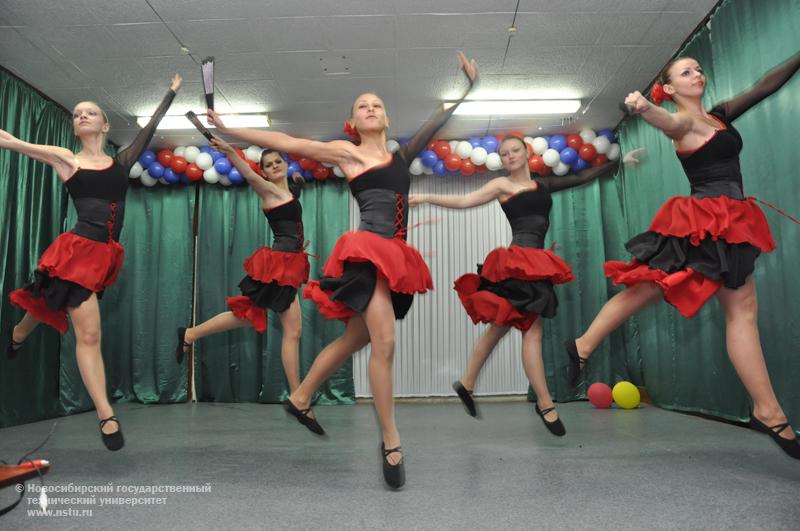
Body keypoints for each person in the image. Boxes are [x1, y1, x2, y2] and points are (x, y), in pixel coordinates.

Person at [206, 51, 478, 488]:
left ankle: (299, 396)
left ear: (386, 118)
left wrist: (467, 88)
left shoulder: (402, 155)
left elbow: (437, 120)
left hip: (395, 255)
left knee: (357, 338)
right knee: (384, 342)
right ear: (353, 121)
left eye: (377, 105)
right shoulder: (346, 154)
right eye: (362, 106)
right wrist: (229, 128)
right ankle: (390, 440)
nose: (371, 109)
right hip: (368, 253)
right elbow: (290, 142)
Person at [565, 52, 800, 459]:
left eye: (698, 68)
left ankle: (768, 410)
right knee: (653, 287)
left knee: (737, 311)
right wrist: (644, 107)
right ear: (670, 88)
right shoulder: (684, 122)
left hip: (731, 220)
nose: (697, 74)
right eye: (685, 71)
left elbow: (764, 85)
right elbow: (668, 122)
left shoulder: (719, 115)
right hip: (703, 221)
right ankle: (583, 344)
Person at [2, 74, 183, 451]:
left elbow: (149, 129)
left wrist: (170, 92)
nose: (81, 116)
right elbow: (12, 142)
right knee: (88, 335)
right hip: (78, 250)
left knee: (46, 297)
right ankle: (107, 415)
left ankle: (18, 335)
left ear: (105, 124)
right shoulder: (66, 158)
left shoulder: (121, 161)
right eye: (77, 114)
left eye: (90, 112)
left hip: (103, 254)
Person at [412, 136, 633, 436]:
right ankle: (544, 404)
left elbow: (581, 176)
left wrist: (618, 162)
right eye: (504, 154)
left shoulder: (543, 185)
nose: (510, 156)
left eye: (515, 150)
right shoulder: (502, 186)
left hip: (537, 264)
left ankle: (466, 384)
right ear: (502, 160)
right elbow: (464, 201)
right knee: (532, 331)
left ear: (526, 152)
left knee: (500, 329)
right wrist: (427, 197)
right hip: (517, 264)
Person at [176, 139, 310, 404]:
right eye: (269, 165)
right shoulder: (269, 191)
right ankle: (297, 395)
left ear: (285, 163)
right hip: (279, 266)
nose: (274, 167)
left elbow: (293, 202)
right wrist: (230, 152)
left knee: (251, 316)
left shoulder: (288, 191)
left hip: (288, 262)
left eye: (277, 162)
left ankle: (190, 334)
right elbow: (249, 174)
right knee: (288, 330)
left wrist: (298, 182)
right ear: (265, 173)